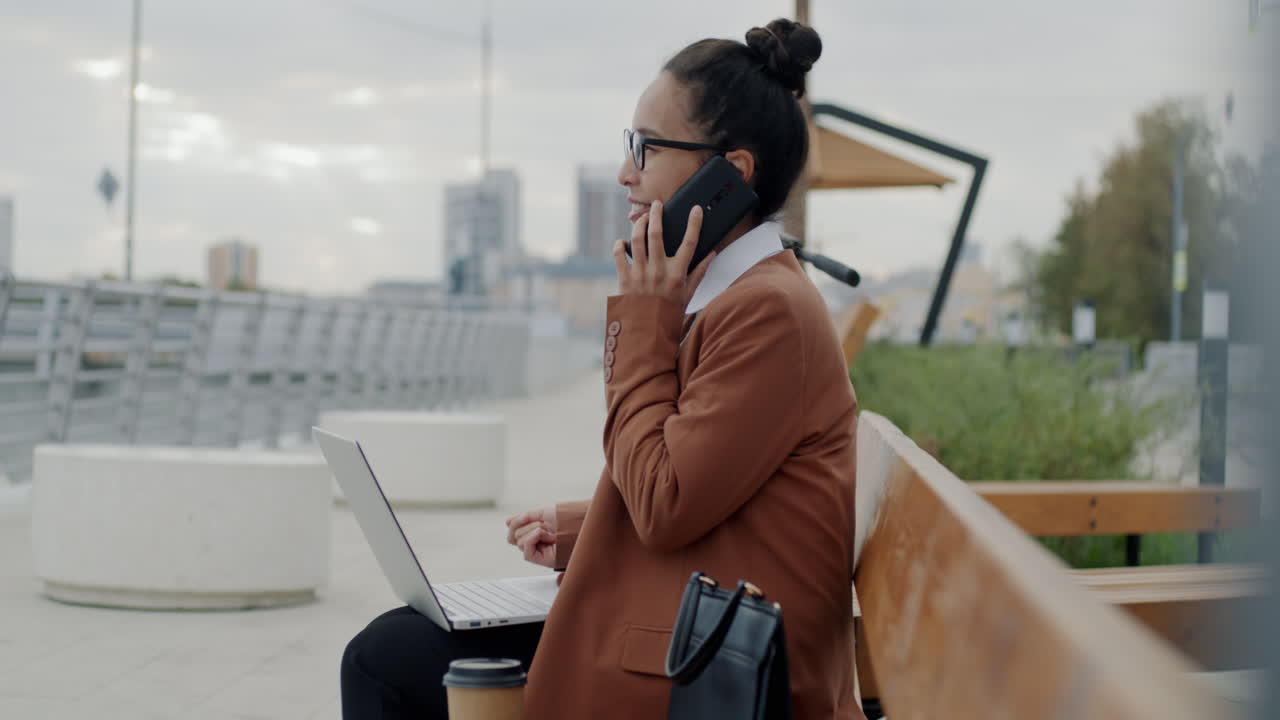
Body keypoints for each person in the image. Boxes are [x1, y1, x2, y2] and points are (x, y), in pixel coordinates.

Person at [340, 17, 862, 719]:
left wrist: (642, 324)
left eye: (645, 149)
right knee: (398, 645)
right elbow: (721, 485)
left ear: (727, 176)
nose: (626, 173)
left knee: (387, 662)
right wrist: (585, 528)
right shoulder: (734, 297)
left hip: (722, 668)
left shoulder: (768, 312)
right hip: (695, 626)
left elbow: (667, 502)